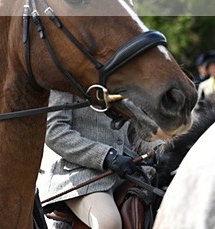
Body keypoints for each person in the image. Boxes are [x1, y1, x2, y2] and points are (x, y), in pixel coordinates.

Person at [40, 89, 141, 229]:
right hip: (80, 175)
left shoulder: (124, 73)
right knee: (108, 223)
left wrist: (165, 149)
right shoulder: (62, 77)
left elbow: (135, 130)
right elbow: (54, 132)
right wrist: (106, 156)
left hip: (128, 172)